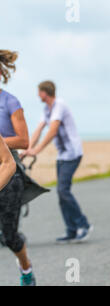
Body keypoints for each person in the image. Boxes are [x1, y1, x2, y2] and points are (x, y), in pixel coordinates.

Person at [22, 81, 92, 243]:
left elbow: (53, 130)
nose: (38, 95)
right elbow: (39, 129)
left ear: (45, 92)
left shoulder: (59, 105)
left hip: (72, 154)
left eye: (39, 92)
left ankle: (84, 225)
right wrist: (28, 148)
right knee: (61, 193)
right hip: (62, 155)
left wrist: (37, 150)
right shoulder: (47, 109)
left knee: (63, 190)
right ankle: (71, 230)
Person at [0, 49, 36, 286]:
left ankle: (26, 270)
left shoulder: (10, 102)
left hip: (9, 171)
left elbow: (24, 140)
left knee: (9, 236)